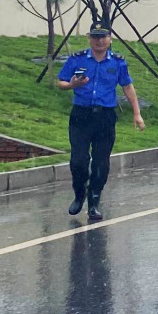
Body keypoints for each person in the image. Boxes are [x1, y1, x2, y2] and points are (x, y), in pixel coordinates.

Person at [57, 21, 145, 221]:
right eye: (95, 37)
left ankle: (94, 202)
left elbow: (128, 87)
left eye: (103, 37)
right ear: (89, 38)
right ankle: (79, 193)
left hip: (105, 117)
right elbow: (61, 82)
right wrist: (72, 84)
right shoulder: (77, 59)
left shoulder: (117, 62)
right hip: (81, 115)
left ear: (109, 39)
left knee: (101, 163)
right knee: (78, 161)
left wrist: (137, 114)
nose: (99, 41)